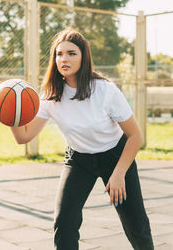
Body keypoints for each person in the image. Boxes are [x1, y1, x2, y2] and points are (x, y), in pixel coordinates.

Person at [10, 28, 153, 250]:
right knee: (64, 223)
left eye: (71, 53)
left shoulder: (105, 91)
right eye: (59, 54)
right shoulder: (50, 96)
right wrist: (11, 116)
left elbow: (135, 136)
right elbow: (24, 137)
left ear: (83, 57)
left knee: (137, 226)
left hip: (115, 156)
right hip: (79, 160)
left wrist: (118, 174)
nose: (64, 58)